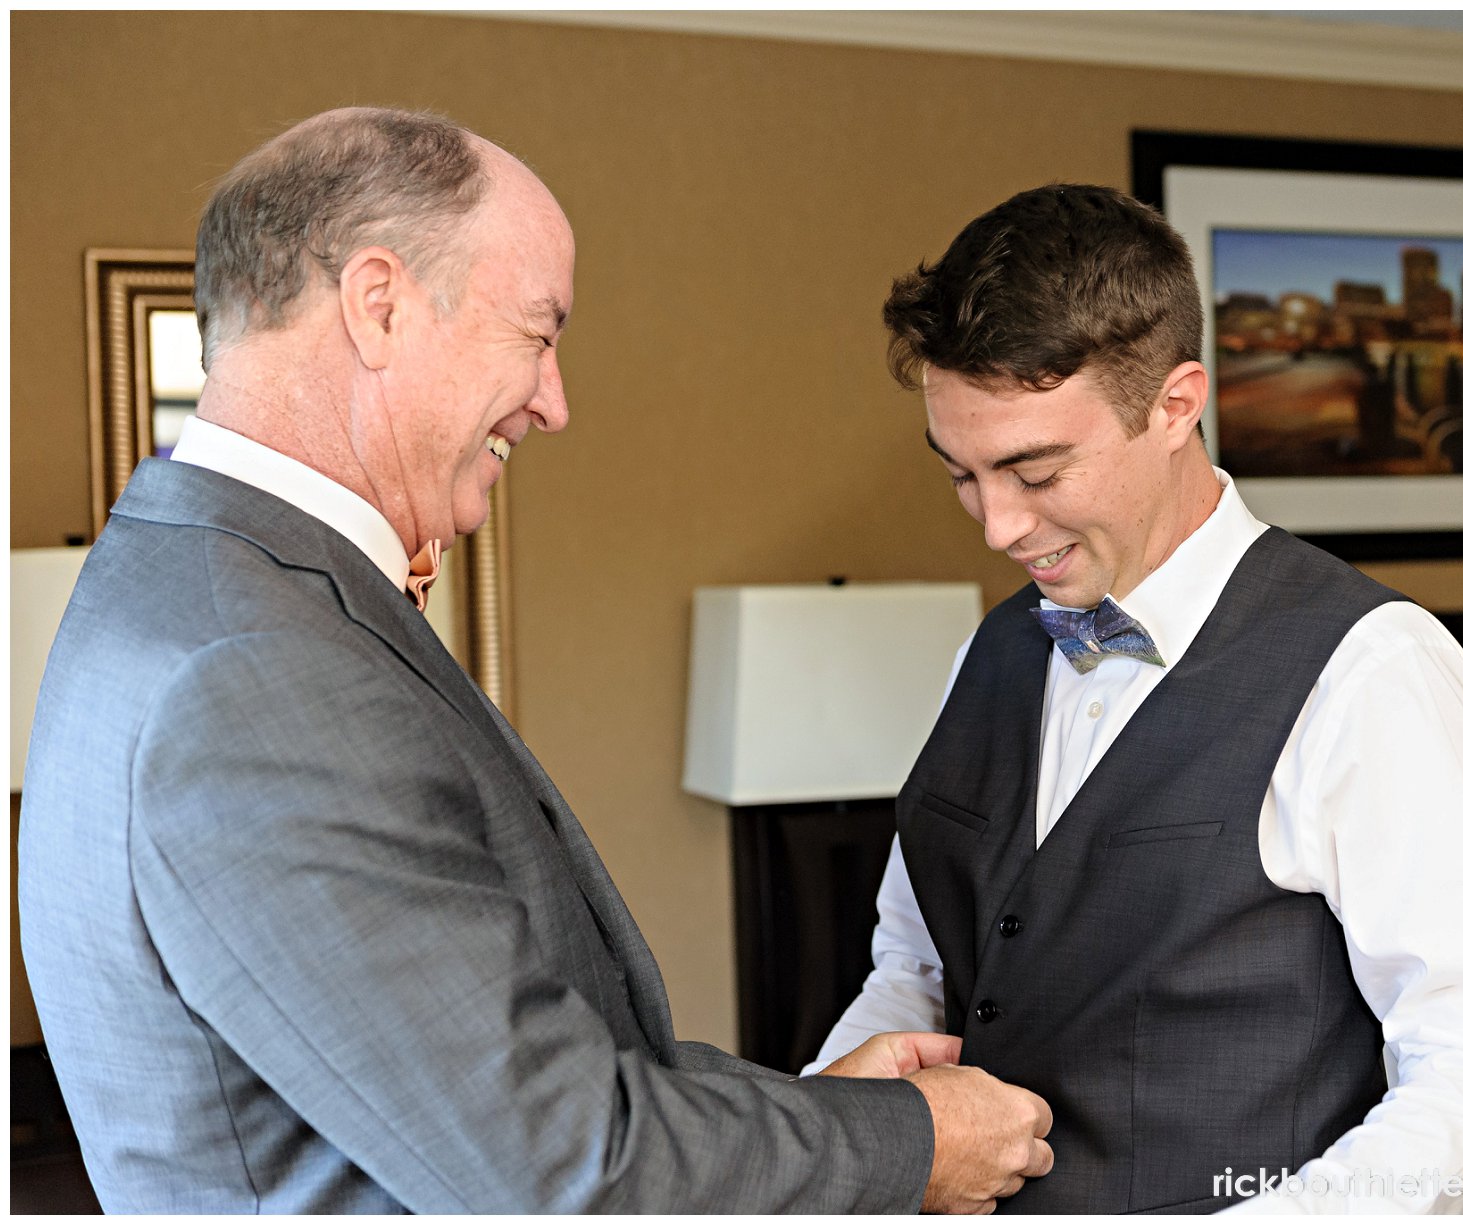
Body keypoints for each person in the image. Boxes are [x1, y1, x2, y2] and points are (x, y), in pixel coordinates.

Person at [16, 107, 1053, 1214]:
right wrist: (907, 1146)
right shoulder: (254, 669)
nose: (554, 402)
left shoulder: (192, 579)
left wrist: (826, 1109)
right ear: (380, 306)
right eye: (540, 332)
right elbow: (560, 1165)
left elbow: (488, 1069)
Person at [808, 184, 1463, 1213]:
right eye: (962, 475)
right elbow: (914, 967)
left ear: (1176, 404)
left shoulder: (1371, 672)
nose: (995, 526)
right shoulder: (985, 655)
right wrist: (840, 1152)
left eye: (1035, 469)